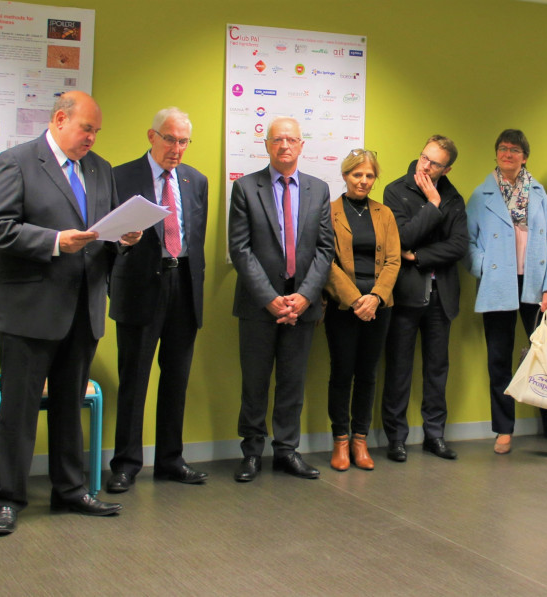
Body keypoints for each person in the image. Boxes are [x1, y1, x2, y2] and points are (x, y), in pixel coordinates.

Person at [0, 91, 138, 536]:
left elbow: (101, 231)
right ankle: (7, 498)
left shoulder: (100, 169)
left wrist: (123, 239)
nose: (92, 137)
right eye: (86, 128)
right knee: (20, 409)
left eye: (96, 131)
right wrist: (54, 242)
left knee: (71, 405)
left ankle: (70, 490)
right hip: (29, 307)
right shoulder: (17, 161)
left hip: (83, 305)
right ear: (60, 119)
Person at [105, 107, 210, 493]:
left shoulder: (196, 180)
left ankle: (170, 459)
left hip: (182, 284)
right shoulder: (121, 176)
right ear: (152, 136)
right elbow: (105, 238)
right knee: (135, 379)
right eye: (170, 139)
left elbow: (194, 240)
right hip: (139, 286)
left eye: (184, 141)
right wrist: (121, 240)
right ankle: (127, 463)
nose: (177, 148)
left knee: (177, 378)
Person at [227, 116, 334, 482]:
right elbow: (240, 250)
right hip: (259, 305)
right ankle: (252, 452)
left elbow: (324, 250)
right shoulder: (245, 189)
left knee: (292, 381)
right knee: (255, 382)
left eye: (291, 139)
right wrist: (272, 299)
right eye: (277, 140)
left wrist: (304, 298)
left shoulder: (319, 190)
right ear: (267, 145)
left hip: (302, 307)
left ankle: (287, 450)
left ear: (302, 145)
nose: (284, 145)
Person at [466, 129, 547, 455]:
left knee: (546, 358)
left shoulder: (539, 194)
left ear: (524, 156)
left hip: (537, 287)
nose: (507, 154)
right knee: (499, 360)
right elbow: (467, 242)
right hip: (499, 285)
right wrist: (483, 267)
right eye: (502, 148)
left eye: (514, 150)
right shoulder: (480, 195)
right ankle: (504, 430)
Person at [381, 136, 468, 462]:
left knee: (436, 370)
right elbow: (399, 237)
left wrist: (417, 257)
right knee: (399, 369)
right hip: (405, 296)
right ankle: (396, 438)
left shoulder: (454, 197)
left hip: (441, 297)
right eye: (423, 157)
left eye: (434, 163)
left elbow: (459, 246)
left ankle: (435, 435)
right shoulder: (395, 190)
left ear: (447, 168)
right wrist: (432, 206)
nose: (425, 166)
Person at [323, 149, 401, 471]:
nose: (364, 181)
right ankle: (340, 441)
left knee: (368, 375)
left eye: (369, 176)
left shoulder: (385, 213)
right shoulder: (329, 212)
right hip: (344, 306)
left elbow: (394, 260)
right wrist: (356, 299)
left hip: (379, 307)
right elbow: (325, 261)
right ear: (345, 176)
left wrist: (375, 298)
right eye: (357, 175)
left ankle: (360, 439)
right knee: (342, 374)